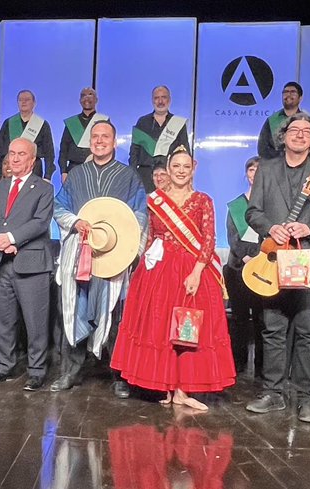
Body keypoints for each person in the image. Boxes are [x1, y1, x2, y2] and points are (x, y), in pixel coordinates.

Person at [111, 146, 236, 410]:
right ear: (168, 169)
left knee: (188, 329)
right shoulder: (154, 200)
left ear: (194, 169)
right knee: (160, 328)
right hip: (158, 272)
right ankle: (165, 386)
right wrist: (143, 268)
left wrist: (197, 272)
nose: (180, 171)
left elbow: (208, 239)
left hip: (192, 271)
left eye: (186, 167)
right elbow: (150, 237)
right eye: (176, 166)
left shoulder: (203, 200)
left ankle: (182, 390)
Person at [244, 113, 310, 423]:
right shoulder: (266, 169)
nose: (300, 134)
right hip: (274, 262)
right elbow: (253, 212)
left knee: (308, 332)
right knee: (273, 330)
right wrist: (270, 227)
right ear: (283, 135)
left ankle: (306, 397)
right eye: (294, 129)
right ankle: (273, 393)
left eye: (306, 131)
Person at [51, 120, 148, 396]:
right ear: (89, 141)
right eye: (95, 136)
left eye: (105, 136)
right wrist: (76, 221)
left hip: (114, 257)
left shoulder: (128, 176)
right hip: (80, 255)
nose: (100, 141)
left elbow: (140, 214)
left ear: (115, 142)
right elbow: (59, 206)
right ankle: (70, 372)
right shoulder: (76, 174)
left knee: (115, 315)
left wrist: (130, 251)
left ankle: (119, 376)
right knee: (74, 310)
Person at [0, 138, 56, 390]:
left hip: (31, 263)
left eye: (21, 154)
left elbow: (40, 222)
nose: (14, 158)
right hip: (2, 263)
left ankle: (36, 370)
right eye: (11, 153)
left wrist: (12, 238)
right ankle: (4, 366)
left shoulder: (43, 188)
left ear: (32, 160)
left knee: (35, 321)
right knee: (2, 320)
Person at [223, 156, 264, 375]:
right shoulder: (236, 206)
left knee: (261, 318)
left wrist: (258, 259)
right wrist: (246, 258)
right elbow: (233, 237)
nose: (254, 174)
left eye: (258, 169)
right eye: (251, 170)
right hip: (238, 268)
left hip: (263, 269)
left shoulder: (269, 205)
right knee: (239, 318)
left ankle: (261, 364)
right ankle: (237, 362)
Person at [129, 85, 190, 192]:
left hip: (170, 177)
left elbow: (185, 151)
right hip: (145, 177)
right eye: (156, 98)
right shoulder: (142, 122)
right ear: (152, 100)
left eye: (164, 97)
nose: (160, 101)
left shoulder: (178, 124)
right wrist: (133, 177)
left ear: (169, 100)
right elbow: (134, 152)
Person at [0, 90, 55, 180]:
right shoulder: (9, 123)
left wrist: (47, 176)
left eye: (27, 99)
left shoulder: (42, 124)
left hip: (34, 170)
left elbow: (49, 153)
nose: (23, 102)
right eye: (20, 100)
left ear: (34, 103)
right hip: (11, 169)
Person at [58, 87, 108, 182]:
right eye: (83, 95)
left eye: (90, 95)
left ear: (96, 100)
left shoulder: (104, 121)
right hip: (73, 170)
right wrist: (63, 171)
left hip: (97, 169)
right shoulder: (72, 122)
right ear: (80, 100)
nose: (86, 98)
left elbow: (109, 147)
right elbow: (64, 148)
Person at [257, 82, 305, 160]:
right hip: (275, 164)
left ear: (300, 98)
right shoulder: (272, 120)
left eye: (293, 92)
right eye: (285, 92)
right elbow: (262, 149)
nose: (288, 95)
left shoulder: (305, 121)